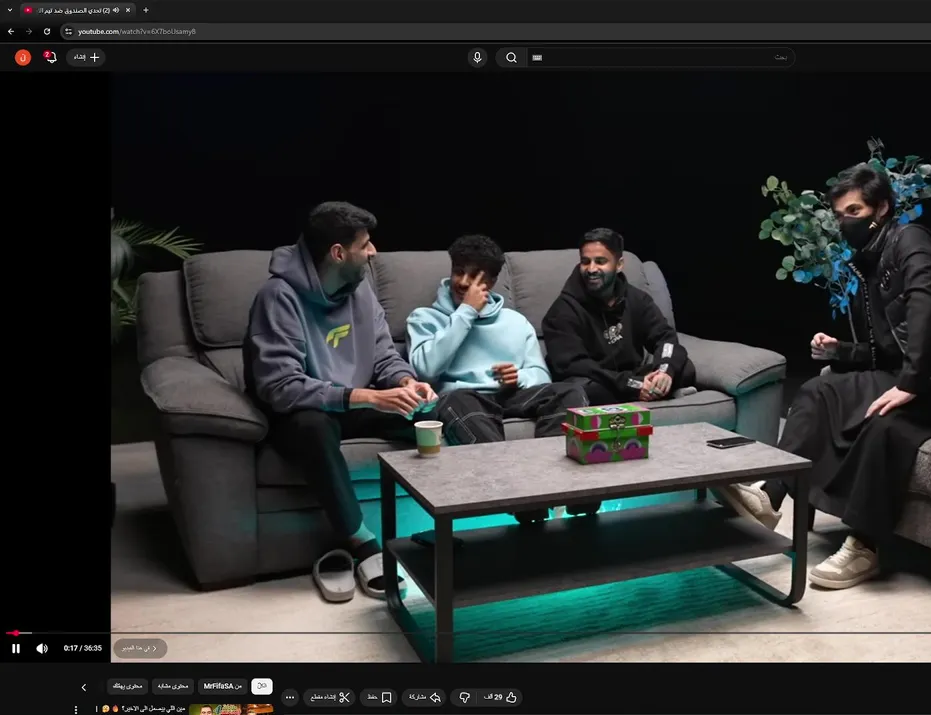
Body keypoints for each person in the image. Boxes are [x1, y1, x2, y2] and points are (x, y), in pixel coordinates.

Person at [717, 163, 931, 591]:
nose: (845, 222)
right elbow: (887, 350)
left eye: (854, 211)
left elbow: (926, 305)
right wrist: (841, 351)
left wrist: (908, 384)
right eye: (839, 215)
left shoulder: (911, 240)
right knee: (817, 391)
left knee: (884, 422)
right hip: (912, 373)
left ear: (882, 207)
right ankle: (770, 496)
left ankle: (865, 546)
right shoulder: (870, 260)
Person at [244, 201, 437, 602]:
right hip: (301, 413)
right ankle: (362, 543)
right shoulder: (278, 297)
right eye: (365, 245)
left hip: (356, 403)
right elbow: (280, 386)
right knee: (312, 426)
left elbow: (383, 355)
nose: (373, 252)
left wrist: (405, 382)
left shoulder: (360, 291)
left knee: (433, 413)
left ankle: (447, 521)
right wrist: (365, 396)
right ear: (337, 253)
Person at [405, 234, 594, 521]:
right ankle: (520, 496)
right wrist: (466, 312)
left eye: (474, 276)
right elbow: (425, 370)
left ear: (491, 282)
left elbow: (541, 376)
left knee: (570, 391)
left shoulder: (515, 322)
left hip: (512, 395)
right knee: (457, 399)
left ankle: (566, 488)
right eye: (459, 271)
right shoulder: (425, 318)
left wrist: (518, 378)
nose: (463, 282)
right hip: (464, 398)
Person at [541, 227, 695, 406]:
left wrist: (664, 371)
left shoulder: (637, 299)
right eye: (585, 262)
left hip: (632, 376)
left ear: (619, 265)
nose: (591, 269)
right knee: (581, 390)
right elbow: (575, 366)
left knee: (684, 368)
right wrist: (631, 385)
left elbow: (665, 338)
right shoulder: (561, 312)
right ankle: (656, 393)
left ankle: (653, 389)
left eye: (600, 261)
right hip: (596, 380)